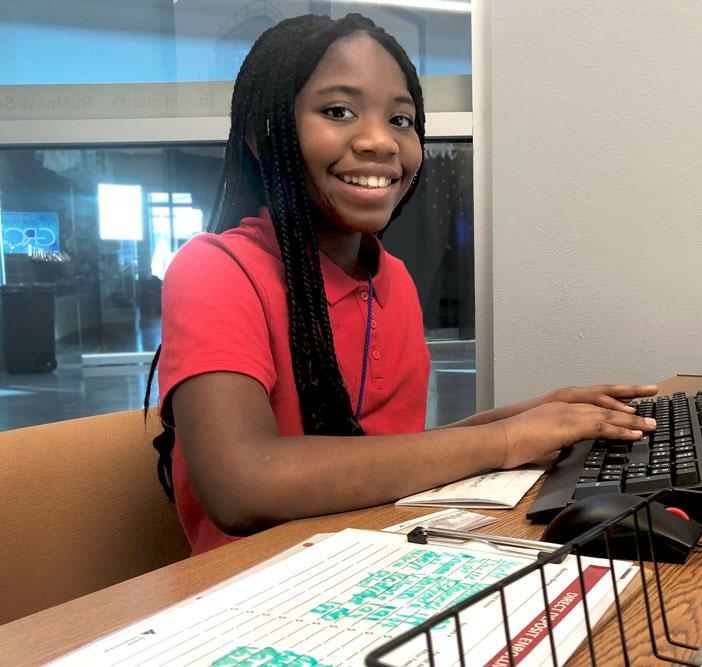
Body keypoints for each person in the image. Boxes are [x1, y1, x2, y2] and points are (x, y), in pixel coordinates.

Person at [152, 13, 658, 556]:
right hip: (254, 591)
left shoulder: (390, 276)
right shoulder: (216, 269)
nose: (380, 142)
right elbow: (242, 484)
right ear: (264, 135)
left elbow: (383, 455)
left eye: (401, 119)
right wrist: (506, 440)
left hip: (378, 555)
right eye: (338, 112)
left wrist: (538, 415)